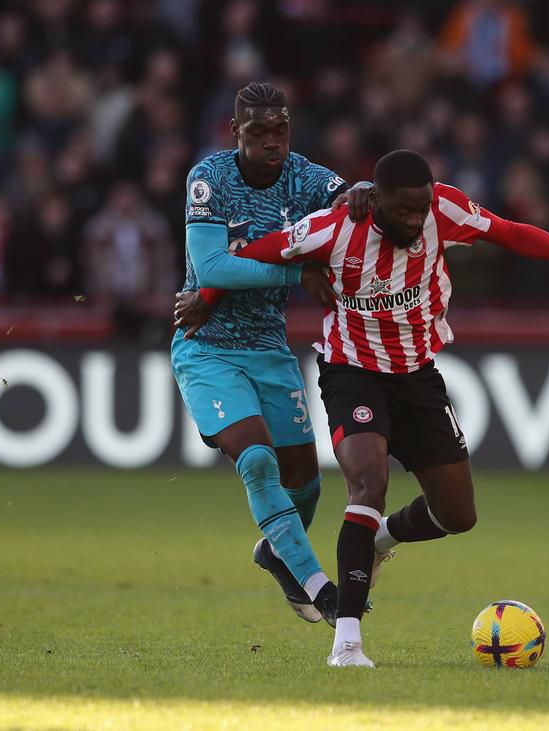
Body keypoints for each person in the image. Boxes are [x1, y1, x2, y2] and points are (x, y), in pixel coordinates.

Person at [197, 150, 549, 666]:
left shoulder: (444, 210)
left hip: (418, 379)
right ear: (376, 201)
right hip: (353, 374)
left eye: (421, 209)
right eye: (404, 210)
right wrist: (203, 296)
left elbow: (509, 231)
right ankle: (347, 644)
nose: (415, 219)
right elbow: (251, 255)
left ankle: (380, 540)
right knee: (368, 484)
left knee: (458, 515)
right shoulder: (332, 229)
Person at [171, 82, 369, 626]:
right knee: (257, 461)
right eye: (257, 132)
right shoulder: (210, 179)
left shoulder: (303, 176)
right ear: (236, 132)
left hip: (269, 349)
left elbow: (345, 195)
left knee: (305, 482)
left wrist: (360, 190)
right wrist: (295, 271)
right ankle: (322, 590)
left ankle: (275, 552)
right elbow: (210, 268)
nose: (271, 142)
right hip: (207, 349)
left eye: (279, 130)